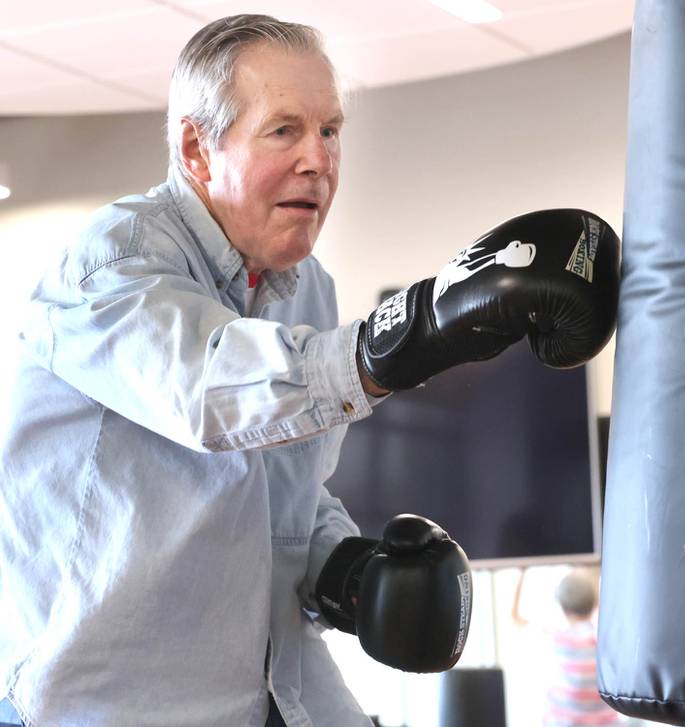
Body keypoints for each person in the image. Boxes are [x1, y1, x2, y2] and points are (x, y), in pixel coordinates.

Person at [0, 13, 620, 727]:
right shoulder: (112, 268)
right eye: (285, 130)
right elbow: (213, 392)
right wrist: (423, 324)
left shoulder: (307, 289)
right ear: (198, 150)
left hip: (273, 693)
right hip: (99, 706)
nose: (318, 160)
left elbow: (286, 490)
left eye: (330, 131)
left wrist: (341, 568)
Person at [541, 569, 622, 727]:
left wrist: (522, 572)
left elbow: (516, 618)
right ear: (594, 603)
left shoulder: (559, 639)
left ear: (562, 606)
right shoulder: (603, 640)